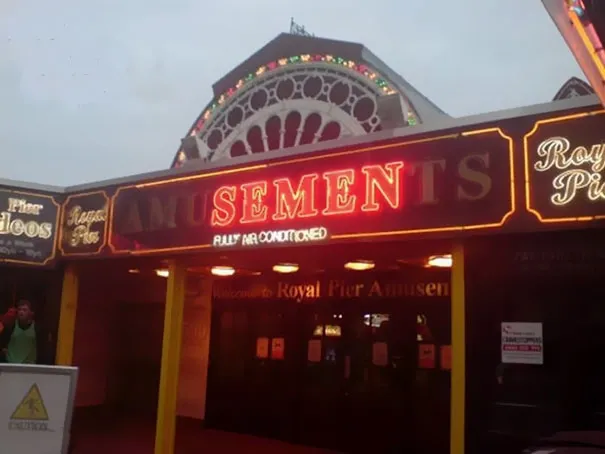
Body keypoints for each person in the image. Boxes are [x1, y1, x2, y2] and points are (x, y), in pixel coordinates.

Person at [0, 300, 43, 364]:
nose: (21, 312)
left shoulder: (37, 329)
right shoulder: (10, 326)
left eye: (24, 310)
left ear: (31, 313)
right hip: (10, 364)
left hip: (30, 365)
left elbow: (42, 348)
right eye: (19, 309)